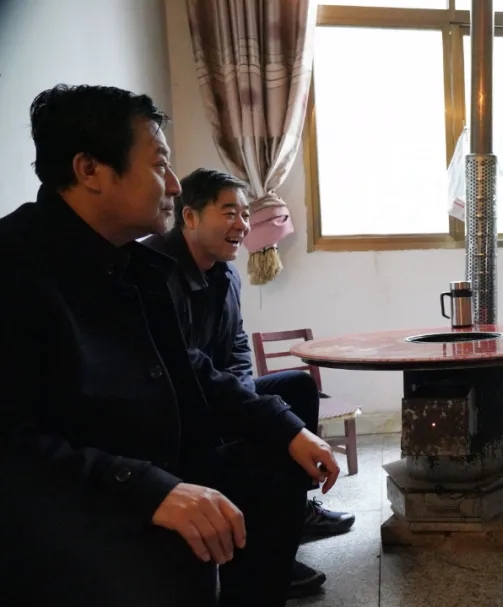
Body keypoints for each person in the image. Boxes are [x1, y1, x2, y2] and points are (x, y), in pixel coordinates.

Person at [0, 84, 340, 607]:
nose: (176, 185)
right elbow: (14, 446)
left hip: (156, 462)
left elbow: (188, 366)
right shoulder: (17, 268)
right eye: (160, 164)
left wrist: (284, 425)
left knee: (278, 462)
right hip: (75, 499)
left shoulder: (130, 264)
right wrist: (148, 489)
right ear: (90, 170)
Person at [144, 168, 356, 599]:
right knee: (278, 450)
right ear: (189, 216)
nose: (242, 224)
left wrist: (245, 393)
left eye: (245, 214)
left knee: (296, 387)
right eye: (229, 213)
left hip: (216, 395)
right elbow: (186, 366)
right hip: (177, 414)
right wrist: (260, 416)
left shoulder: (226, 275)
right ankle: (272, 547)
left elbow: (237, 345)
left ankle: (295, 513)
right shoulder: (157, 272)